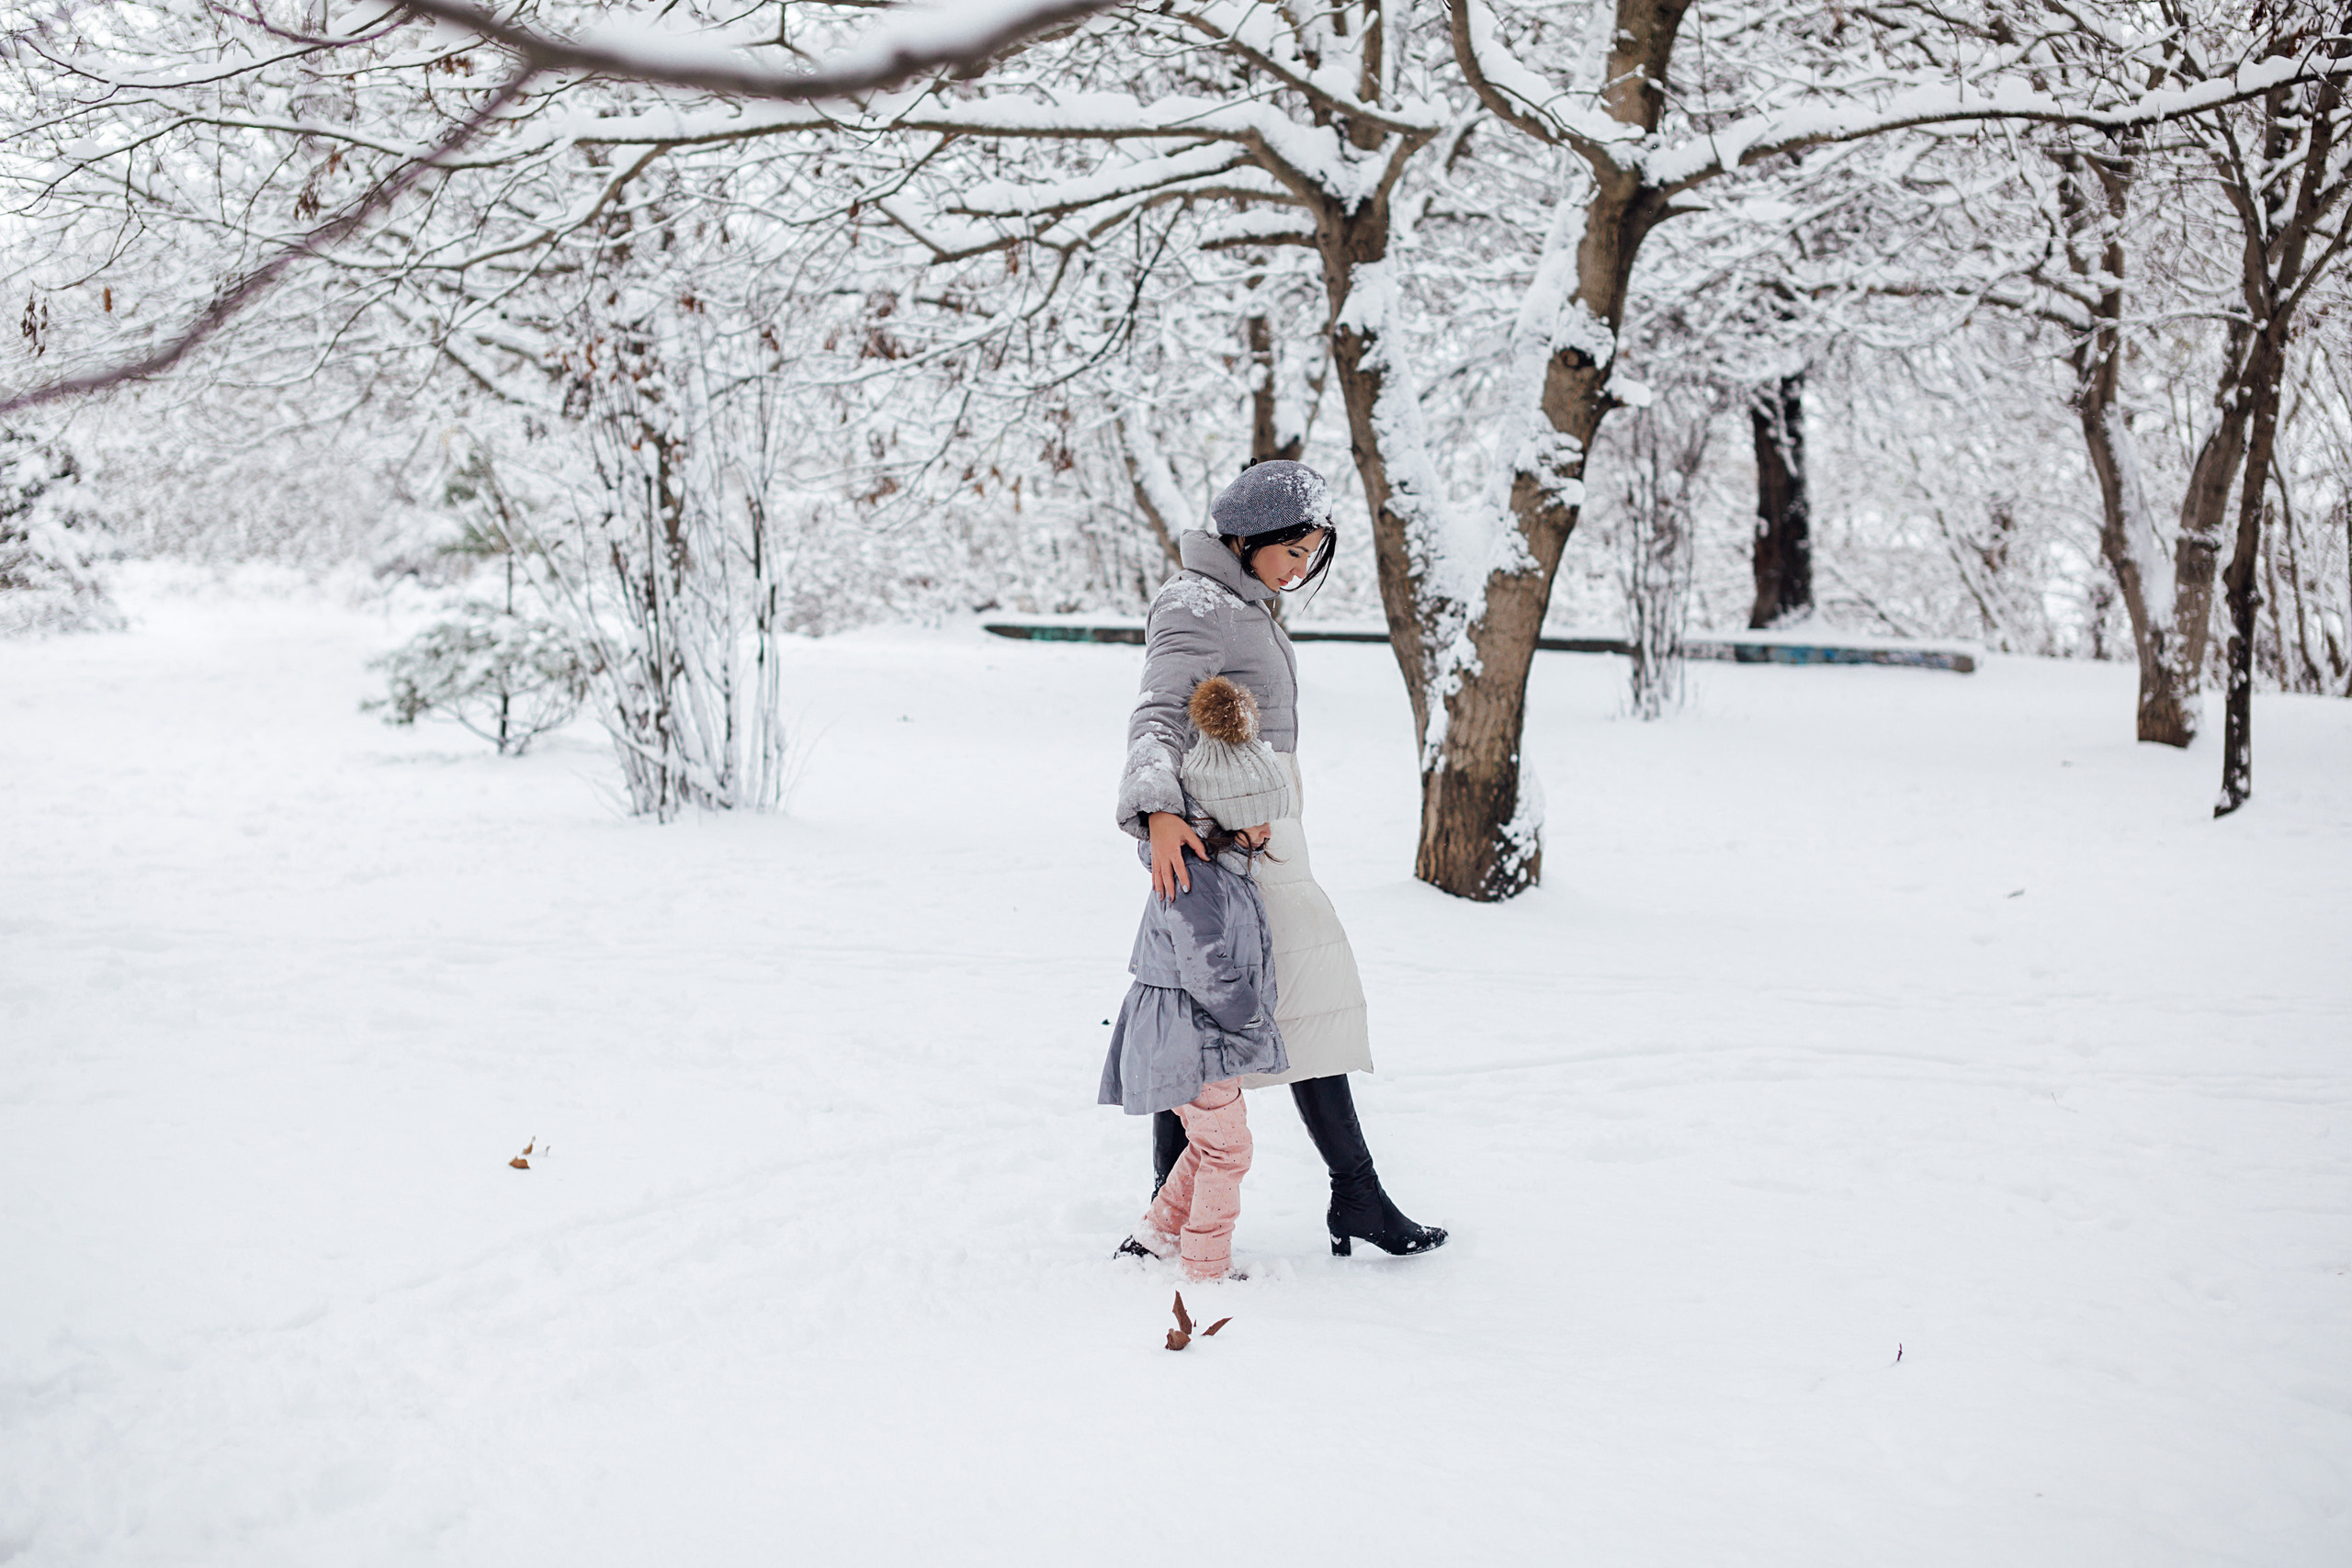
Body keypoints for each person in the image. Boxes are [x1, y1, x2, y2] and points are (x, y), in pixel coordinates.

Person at [1114, 459, 1447, 1258]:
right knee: (1230, 1016)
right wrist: (1158, 811)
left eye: (1311, 555)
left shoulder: (1242, 602)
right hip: (1225, 844)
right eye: (1292, 551)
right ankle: (1337, 1197)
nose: (1300, 569)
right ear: (1247, 536)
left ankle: (1347, 1195)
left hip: (1268, 832)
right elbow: (1158, 712)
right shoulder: (1197, 602)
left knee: (1292, 1007)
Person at [1100, 676, 1292, 1282]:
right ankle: (1206, 1266)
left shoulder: (1221, 870)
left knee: (1212, 1146)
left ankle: (1158, 1234)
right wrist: (1248, 1017)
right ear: (1229, 814)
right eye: (1260, 817)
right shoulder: (1195, 877)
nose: (1269, 830)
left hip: (1197, 1033)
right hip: (1191, 1034)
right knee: (1229, 1151)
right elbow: (1204, 966)